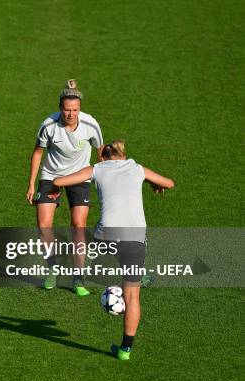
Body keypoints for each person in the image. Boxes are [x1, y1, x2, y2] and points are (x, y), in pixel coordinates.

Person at [52, 140, 175, 360]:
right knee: (132, 296)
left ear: (103, 156)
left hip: (106, 235)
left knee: (86, 243)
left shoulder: (97, 169)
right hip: (135, 238)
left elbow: (60, 180)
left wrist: (55, 186)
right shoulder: (137, 169)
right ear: (122, 155)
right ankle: (125, 350)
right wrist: (152, 183)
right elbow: (169, 183)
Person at [26, 79, 103, 295]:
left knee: (78, 224)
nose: (71, 114)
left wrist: (104, 176)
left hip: (79, 176)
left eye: (75, 110)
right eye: (67, 110)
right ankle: (52, 268)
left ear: (80, 109)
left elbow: (100, 150)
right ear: (60, 108)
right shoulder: (48, 125)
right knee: (43, 224)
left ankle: (78, 277)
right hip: (51, 175)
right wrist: (32, 184)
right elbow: (38, 152)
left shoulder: (90, 125)